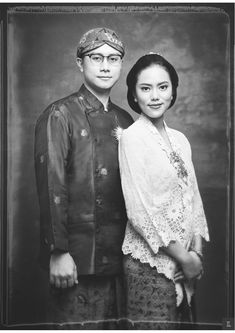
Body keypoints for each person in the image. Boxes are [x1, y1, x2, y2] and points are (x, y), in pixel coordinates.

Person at [34, 27, 133, 329]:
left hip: (123, 258)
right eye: (96, 57)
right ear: (80, 63)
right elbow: (52, 185)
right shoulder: (60, 114)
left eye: (113, 58)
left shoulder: (126, 119)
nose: (105, 66)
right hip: (77, 259)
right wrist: (58, 251)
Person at [118, 53, 210, 329]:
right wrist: (185, 258)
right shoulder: (132, 138)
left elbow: (193, 198)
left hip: (185, 264)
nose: (155, 96)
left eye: (162, 87)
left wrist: (196, 254)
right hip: (149, 265)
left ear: (173, 91)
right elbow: (140, 211)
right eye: (145, 88)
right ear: (134, 95)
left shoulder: (181, 140)